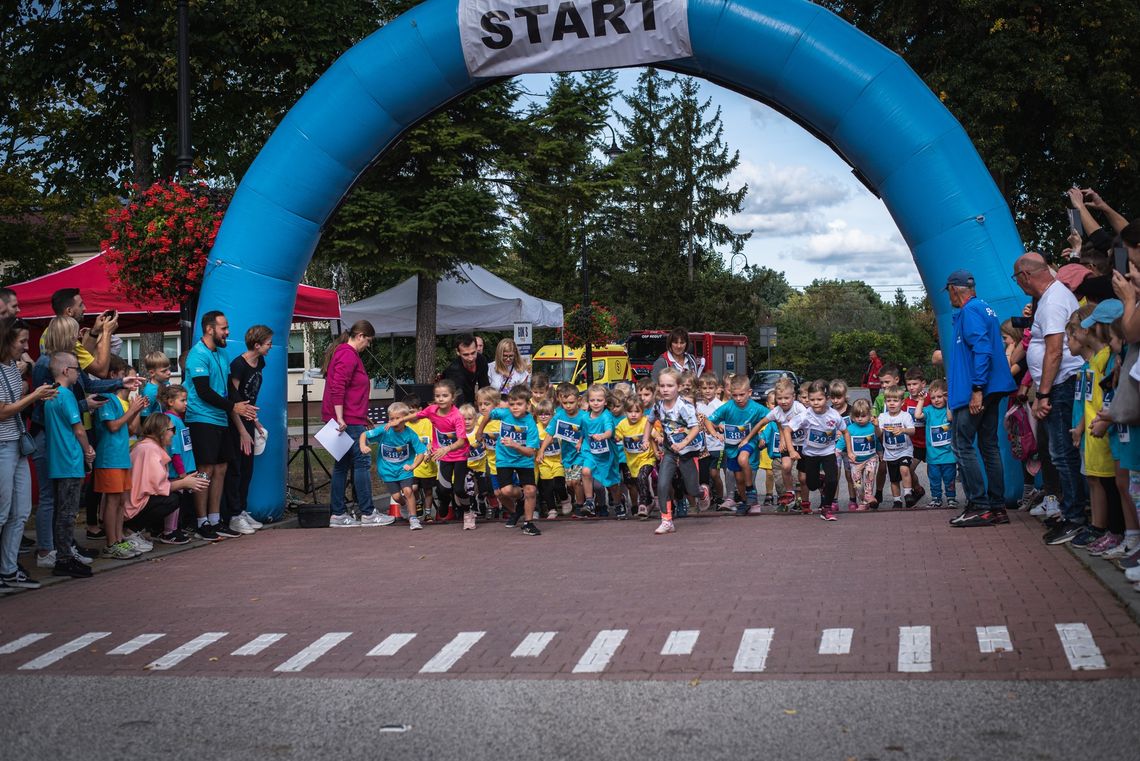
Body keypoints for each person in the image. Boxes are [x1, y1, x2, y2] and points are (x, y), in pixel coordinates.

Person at [1014, 253, 1088, 544]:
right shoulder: (1048, 299)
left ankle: (1075, 517)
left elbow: (1055, 350)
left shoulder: (1054, 300)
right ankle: (1071, 513)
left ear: (1025, 276)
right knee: (1059, 452)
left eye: (1017, 280)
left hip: (1061, 384)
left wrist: (1043, 393)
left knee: (1062, 453)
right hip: (1058, 384)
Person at [942, 269, 1017, 526]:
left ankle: (979, 505)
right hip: (991, 388)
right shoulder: (984, 307)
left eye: (949, 292)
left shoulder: (970, 310)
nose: (949, 298)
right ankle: (996, 507)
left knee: (962, 444)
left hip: (978, 390)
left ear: (954, 289)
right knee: (989, 446)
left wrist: (976, 389)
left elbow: (982, 349)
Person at [185, 311, 258, 540]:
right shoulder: (197, 355)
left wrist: (242, 405)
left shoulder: (223, 353)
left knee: (221, 468)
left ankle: (216, 519)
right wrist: (233, 407)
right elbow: (204, 391)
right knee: (205, 470)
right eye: (223, 328)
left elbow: (228, 387)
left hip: (220, 418)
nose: (227, 332)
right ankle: (201, 522)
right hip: (201, 418)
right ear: (209, 329)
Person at [0, 318, 57, 592]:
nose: (25, 347)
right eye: (21, 341)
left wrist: (30, 392)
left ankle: (9, 570)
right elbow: (2, 411)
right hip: (3, 444)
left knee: (21, 511)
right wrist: (34, 395)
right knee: (2, 511)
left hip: (18, 444)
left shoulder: (12, 366)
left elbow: (15, 401)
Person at [321, 319, 387, 527]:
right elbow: (338, 387)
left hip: (349, 417)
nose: (368, 345)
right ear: (360, 336)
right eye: (368, 341)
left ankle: (338, 514)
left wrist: (360, 415)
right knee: (362, 463)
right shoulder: (348, 355)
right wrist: (341, 417)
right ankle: (367, 512)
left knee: (342, 465)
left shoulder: (342, 353)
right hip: (347, 421)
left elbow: (345, 390)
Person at [389, 379, 472, 528]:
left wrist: (445, 448)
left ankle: (468, 511)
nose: (441, 399)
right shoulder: (432, 410)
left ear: (452, 398)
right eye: (438, 396)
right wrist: (400, 420)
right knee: (442, 488)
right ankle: (445, 501)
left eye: (445, 396)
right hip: (443, 456)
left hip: (459, 455)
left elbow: (461, 441)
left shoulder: (457, 416)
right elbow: (416, 416)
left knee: (459, 489)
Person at [43, 351, 97, 578]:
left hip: (58, 459)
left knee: (62, 510)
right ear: (66, 371)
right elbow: (78, 428)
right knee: (68, 513)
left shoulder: (51, 395)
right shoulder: (66, 395)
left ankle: (64, 554)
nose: (79, 373)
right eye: (76, 368)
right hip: (70, 458)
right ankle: (64, 557)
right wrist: (88, 450)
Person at [93, 365, 148, 559]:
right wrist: (131, 409)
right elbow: (113, 426)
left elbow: (132, 430)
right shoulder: (107, 399)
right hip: (109, 458)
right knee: (112, 500)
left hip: (122, 457)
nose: (135, 382)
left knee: (121, 501)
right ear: (117, 377)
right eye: (132, 378)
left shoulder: (122, 402)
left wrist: (137, 410)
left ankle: (119, 539)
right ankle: (111, 543)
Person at [126, 413, 208, 542]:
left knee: (174, 495)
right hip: (131, 506)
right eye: (172, 430)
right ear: (161, 430)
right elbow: (157, 487)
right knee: (173, 499)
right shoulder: (150, 449)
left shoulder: (148, 446)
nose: (174, 434)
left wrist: (186, 481)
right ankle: (131, 531)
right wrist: (184, 483)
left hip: (131, 501)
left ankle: (141, 530)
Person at [474, 386, 542, 536]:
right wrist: (479, 431)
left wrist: (515, 445)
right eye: (512, 404)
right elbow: (489, 414)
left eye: (519, 404)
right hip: (504, 459)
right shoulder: (503, 414)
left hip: (523, 460)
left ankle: (528, 523)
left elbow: (531, 452)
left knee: (531, 489)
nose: (515, 407)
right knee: (505, 491)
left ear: (527, 405)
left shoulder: (530, 424)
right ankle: (521, 498)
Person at [223, 324, 272, 535]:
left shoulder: (260, 361)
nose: (271, 346)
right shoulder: (238, 365)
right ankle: (233, 515)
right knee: (236, 469)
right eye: (268, 343)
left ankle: (241, 510)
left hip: (248, 421)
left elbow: (251, 397)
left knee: (247, 470)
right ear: (257, 344)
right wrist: (242, 430)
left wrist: (255, 421)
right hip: (235, 422)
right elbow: (233, 399)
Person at [643, 368, 702, 535]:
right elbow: (649, 422)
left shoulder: (684, 406)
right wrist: (645, 439)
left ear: (678, 387)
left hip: (687, 451)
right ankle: (666, 520)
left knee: (692, 489)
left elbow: (696, 428)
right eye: (662, 386)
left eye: (669, 385)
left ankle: (702, 493)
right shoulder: (658, 405)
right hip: (669, 451)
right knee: (662, 484)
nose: (665, 389)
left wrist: (683, 443)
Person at [785, 379, 848, 521]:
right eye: (812, 399)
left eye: (819, 399)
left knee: (833, 480)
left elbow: (846, 432)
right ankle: (820, 480)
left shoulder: (834, 415)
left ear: (827, 399)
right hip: (810, 454)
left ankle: (826, 508)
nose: (815, 403)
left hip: (828, 453)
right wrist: (791, 450)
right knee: (812, 485)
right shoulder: (805, 415)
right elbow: (787, 430)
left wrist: (849, 452)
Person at [705, 374, 768, 515]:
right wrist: (714, 433)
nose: (738, 399)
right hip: (731, 447)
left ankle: (751, 489)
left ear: (749, 393)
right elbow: (708, 421)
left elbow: (772, 418)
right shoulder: (727, 407)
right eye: (735, 395)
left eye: (742, 395)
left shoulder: (757, 408)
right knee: (739, 480)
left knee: (743, 459)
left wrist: (764, 436)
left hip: (749, 442)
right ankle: (745, 502)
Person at [359, 401, 427, 531]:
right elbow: (364, 434)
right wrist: (363, 445)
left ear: (405, 420)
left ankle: (414, 518)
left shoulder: (410, 434)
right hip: (387, 470)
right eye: (392, 419)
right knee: (396, 497)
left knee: (408, 491)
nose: (394, 422)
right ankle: (404, 505)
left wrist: (413, 466)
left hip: (404, 469)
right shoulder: (385, 430)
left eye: (398, 419)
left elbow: (420, 452)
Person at [158, 384, 194, 544]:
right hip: (177, 472)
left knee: (180, 501)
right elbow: (175, 450)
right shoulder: (171, 420)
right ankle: (169, 531)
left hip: (184, 468)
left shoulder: (178, 420)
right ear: (170, 402)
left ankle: (175, 528)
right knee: (175, 501)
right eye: (183, 400)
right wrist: (182, 474)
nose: (186, 403)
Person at [914, 379, 957, 509]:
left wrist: (949, 400)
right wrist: (921, 400)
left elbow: (950, 418)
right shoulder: (929, 410)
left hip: (948, 454)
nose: (936, 400)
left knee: (950, 478)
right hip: (933, 455)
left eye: (940, 397)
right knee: (934, 479)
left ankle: (951, 498)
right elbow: (917, 415)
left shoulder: (948, 410)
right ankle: (936, 498)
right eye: (933, 398)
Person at [878, 386, 917, 510]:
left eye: (895, 401)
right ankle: (897, 500)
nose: (892, 403)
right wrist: (875, 426)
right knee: (893, 479)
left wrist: (903, 430)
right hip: (890, 452)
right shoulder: (882, 417)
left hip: (905, 450)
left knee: (904, 469)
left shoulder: (905, 416)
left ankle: (908, 494)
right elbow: (878, 434)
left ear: (902, 402)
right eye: (889, 401)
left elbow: (912, 431)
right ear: (885, 402)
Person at [845, 399, 879, 511]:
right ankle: (863, 500)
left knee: (869, 476)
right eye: (857, 416)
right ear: (852, 416)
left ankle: (868, 496)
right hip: (855, 462)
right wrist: (837, 451)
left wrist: (880, 452)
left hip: (870, 458)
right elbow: (842, 442)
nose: (859, 419)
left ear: (869, 415)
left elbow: (876, 441)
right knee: (858, 484)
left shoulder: (872, 427)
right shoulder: (849, 429)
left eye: (863, 416)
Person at [443, 334, 490, 405]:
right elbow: (458, 397)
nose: (471, 358)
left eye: (473, 353)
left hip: (471, 399)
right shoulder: (454, 370)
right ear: (458, 352)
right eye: (466, 355)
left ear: (477, 348)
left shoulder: (481, 360)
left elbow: (484, 385)